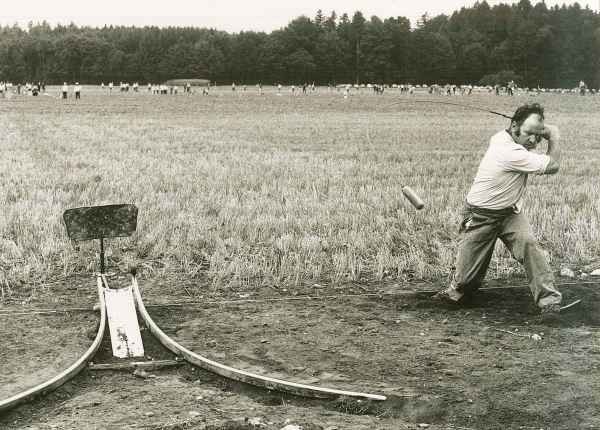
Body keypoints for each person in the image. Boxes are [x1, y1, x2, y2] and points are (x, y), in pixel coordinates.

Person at [434, 103, 563, 319]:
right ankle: (457, 290)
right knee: (466, 281)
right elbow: (553, 166)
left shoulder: (502, 136)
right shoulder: (508, 151)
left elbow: (532, 138)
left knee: (529, 246)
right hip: (480, 216)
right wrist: (554, 136)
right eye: (529, 134)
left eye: (538, 136)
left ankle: (549, 302)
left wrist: (537, 128)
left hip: (510, 213)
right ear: (514, 127)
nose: (533, 140)